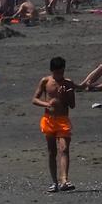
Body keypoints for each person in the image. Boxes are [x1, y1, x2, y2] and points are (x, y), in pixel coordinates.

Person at [33, 56, 75, 193]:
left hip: (63, 120)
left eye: (62, 72)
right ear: (52, 70)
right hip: (49, 120)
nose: (59, 75)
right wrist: (46, 104)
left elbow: (72, 105)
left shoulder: (68, 83)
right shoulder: (46, 81)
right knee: (52, 152)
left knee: (64, 149)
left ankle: (64, 180)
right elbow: (34, 99)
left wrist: (65, 96)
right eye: (57, 72)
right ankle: (54, 182)